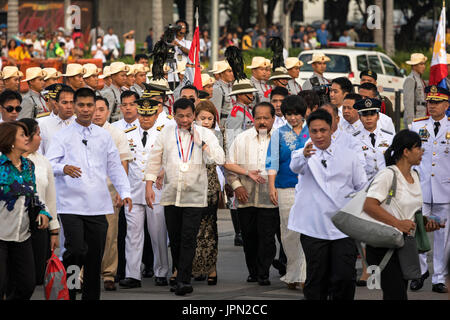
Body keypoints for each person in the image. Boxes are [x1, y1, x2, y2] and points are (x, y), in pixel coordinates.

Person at [46, 88, 132, 300]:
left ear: (95, 107)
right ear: (74, 106)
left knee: (94, 257)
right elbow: (48, 163)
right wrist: (63, 167)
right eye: (81, 105)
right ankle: (72, 290)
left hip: (98, 205)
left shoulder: (103, 136)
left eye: (89, 105)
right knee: (75, 251)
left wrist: (125, 191)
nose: (85, 110)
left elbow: (115, 166)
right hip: (70, 205)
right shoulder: (63, 136)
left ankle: (91, 297)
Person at [144, 98, 225, 296]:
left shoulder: (205, 133)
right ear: (174, 115)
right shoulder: (166, 132)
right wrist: (148, 185)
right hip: (171, 194)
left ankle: (183, 279)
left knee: (189, 237)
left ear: (194, 115)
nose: (185, 120)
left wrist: (202, 144)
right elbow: (154, 158)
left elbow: (219, 158)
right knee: (176, 237)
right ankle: (179, 272)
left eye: (189, 115)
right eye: (180, 116)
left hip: (195, 195)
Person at [288, 109, 367, 300]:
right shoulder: (303, 153)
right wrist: (305, 155)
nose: (319, 135)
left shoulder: (349, 155)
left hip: (342, 226)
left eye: (323, 130)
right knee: (317, 277)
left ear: (332, 129)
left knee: (344, 277)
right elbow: (295, 166)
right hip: (314, 227)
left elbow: (361, 186)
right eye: (314, 131)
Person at [363, 129, 441, 300]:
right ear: (406, 152)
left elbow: (409, 212)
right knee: (396, 295)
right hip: (384, 245)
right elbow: (369, 206)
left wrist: (426, 223)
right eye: (418, 148)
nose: (422, 152)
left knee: (398, 294)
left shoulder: (415, 175)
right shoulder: (388, 175)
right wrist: (398, 223)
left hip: (404, 245)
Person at [224, 102, 278, 286]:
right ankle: (253, 271)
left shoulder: (279, 139)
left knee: (267, 237)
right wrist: (237, 186)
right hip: (245, 196)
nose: (262, 122)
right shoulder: (241, 139)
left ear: (273, 119)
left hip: (270, 198)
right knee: (249, 237)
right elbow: (229, 165)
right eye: (258, 118)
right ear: (252, 119)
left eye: (266, 118)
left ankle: (263, 272)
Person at [119, 97, 170, 289]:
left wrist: (162, 173)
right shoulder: (127, 133)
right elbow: (123, 162)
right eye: (142, 115)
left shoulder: (164, 133)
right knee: (133, 233)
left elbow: (168, 159)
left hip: (156, 190)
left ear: (156, 114)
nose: (145, 119)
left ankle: (161, 271)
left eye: (149, 115)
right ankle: (132, 274)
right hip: (133, 190)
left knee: (157, 233)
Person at [0, 121, 52, 300]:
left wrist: (43, 212)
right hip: (1, 235)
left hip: (22, 235)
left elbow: (34, 194)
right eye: (22, 135)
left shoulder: (29, 165)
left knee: (27, 284)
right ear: (10, 140)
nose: (27, 138)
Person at [266, 96, 309, 290]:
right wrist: (271, 185)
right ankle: (293, 272)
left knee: (308, 232)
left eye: (296, 114)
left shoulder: (313, 130)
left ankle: (305, 274)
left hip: (310, 188)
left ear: (304, 113)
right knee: (289, 232)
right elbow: (272, 160)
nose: (293, 118)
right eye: (289, 114)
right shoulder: (279, 133)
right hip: (285, 187)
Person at [411, 85, 450, 294]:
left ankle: (439, 278)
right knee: (419, 231)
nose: (431, 105)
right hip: (421, 188)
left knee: (443, 237)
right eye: (429, 102)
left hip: (445, 190)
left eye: (436, 102)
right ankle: (419, 273)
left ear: (446, 104)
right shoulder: (417, 126)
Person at [91, 96, 133, 291]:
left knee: (110, 235)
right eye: (94, 109)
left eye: (101, 109)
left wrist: (121, 190)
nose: (97, 113)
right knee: (85, 236)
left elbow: (123, 163)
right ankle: (83, 273)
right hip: (85, 193)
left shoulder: (116, 133)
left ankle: (109, 273)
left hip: (109, 191)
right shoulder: (81, 131)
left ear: (108, 112)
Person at [18, 118, 59, 286]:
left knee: (35, 277)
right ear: (27, 136)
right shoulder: (5, 160)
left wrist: (54, 230)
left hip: (39, 223)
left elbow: (50, 197)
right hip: (13, 223)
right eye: (38, 134)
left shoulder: (43, 162)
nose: (40, 138)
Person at [191, 101, 223, 285]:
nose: (206, 122)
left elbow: (220, 159)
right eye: (202, 118)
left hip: (210, 184)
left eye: (210, 118)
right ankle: (194, 267)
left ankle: (211, 268)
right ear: (195, 117)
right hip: (192, 183)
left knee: (210, 228)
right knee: (192, 228)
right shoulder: (188, 134)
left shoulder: (217, 134)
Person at [353, 98, 394, 181]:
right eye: (365, 115)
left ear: (378, 116)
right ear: (359, 117)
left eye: (372, 114)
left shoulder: (389, 137)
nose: (369, 118)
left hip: (386, 181)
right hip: (364, 185)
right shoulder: (353, 139)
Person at [38, 85, 75, 155]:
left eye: (72, 102)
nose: (69, 106)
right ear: (56, 104)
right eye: (64, 103)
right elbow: (39, 153)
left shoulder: (81, 123)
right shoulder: (42, 124)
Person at [403, 53, 428, 129]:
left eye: (424, 64)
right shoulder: (411, 79)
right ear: (414, 66)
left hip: (422, 116)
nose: (424, 66)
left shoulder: (419, 79)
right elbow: (408, 103)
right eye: (421, 64)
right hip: (416, 117)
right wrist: (410, 122)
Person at [168, 20, 192, 90]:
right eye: (178, 27)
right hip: (171, 74)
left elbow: (190, 53)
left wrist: (178, 45)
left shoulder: (189, 43)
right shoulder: (170, 41)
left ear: (186, 29)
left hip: (185, 74)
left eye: (182, 27)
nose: (180, 28)